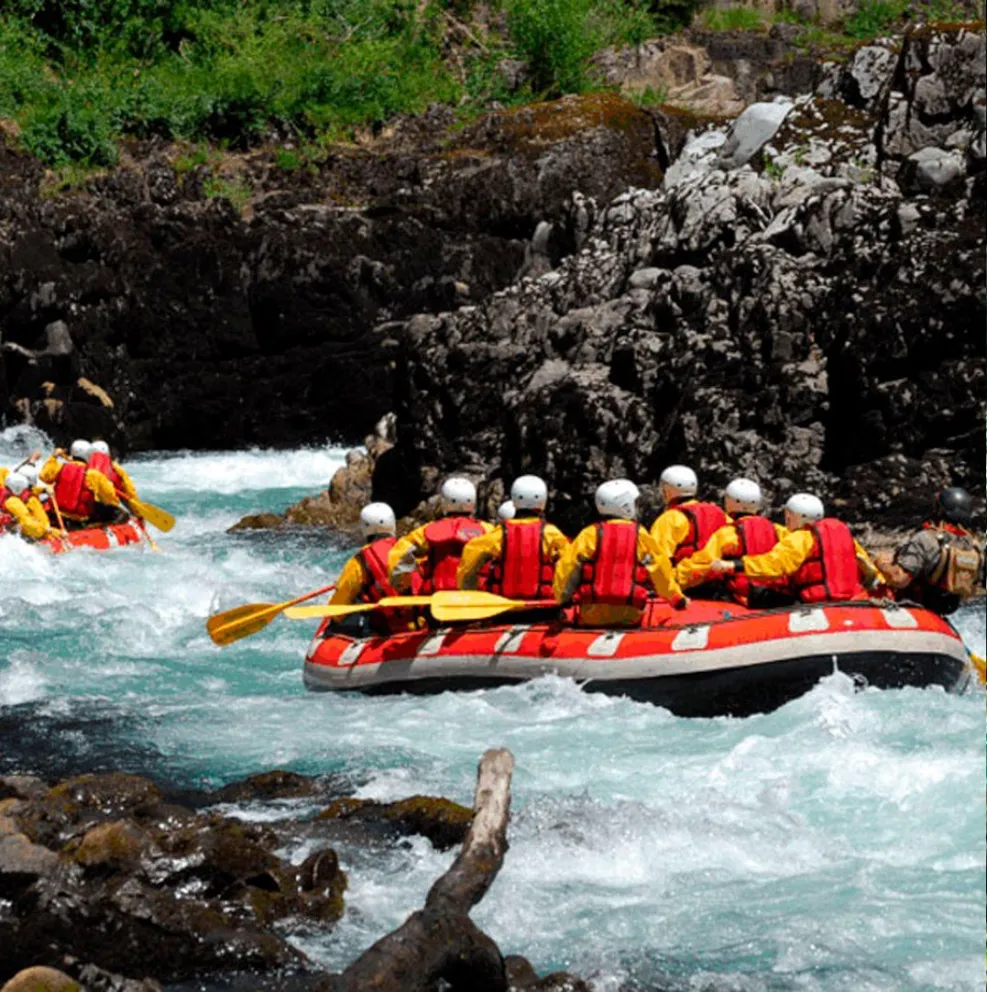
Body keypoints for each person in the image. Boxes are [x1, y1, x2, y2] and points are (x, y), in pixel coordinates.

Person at [554, 479, 688, 627]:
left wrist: (563, 600)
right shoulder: (641, 535)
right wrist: (676, 598)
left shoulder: (589, 534)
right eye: (635, 503)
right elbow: (660, 571)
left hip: (590, 615)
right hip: (630, 615)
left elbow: (566, 568)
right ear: (625, 506)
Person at [708, 493, 881, 603]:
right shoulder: (845, 537)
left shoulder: (800, 538)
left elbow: (775, 565)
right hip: (853, 599)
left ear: (795, 517)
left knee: (759, 595)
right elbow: (869, 568)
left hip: (816, 602)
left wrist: (734, 565)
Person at [676, 478, 789, 606]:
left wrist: (674, 579)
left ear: (729, 502)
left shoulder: (729, 534)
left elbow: (702, 563)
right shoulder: (778, 530)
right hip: (776, 594)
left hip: (745, 597)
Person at [457, 476, 569, 605]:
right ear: (543, 501)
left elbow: (469, 562)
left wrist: (468, 590)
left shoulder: (499, 534)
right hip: (543, 605)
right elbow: (569, 564)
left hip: (504, 605)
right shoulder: (551, 533)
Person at [874, 487, 984, 615]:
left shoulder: (926, 539)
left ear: (939, 510)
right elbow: (970, 592)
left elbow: (899, 579)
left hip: (915, 608)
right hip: (944, 612)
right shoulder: (975, 548)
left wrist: (881, 564)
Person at [388, 477, 492, 593]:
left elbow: (399, 555)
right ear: (473, 502)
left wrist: (402, 585)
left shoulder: (427, 530)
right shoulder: (487, 530)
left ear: (444, 502)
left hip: (438, 597)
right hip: (477, 597)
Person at [329, 503, 416, 635]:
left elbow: (340, 601)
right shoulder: (408, 548)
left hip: (385, 628)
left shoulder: (360, 561)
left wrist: (334, 620)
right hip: (419, 620)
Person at [650, 464, 728, 565]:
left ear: (667, 491)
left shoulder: (669, 519)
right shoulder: (719, 512)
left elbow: (658, 558)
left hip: (685, 574)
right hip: (718, 572)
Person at [38, 439, 121, 528]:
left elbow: (43, 476)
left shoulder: (60, 467)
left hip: (56, 514)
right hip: (78, 520)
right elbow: (111, 498)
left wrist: (54, 457)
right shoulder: (94, 475)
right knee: (115, 512)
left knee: (45, 500)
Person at [87, 441, 135, 524]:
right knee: (125, 515)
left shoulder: (82, 467)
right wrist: (136, 513)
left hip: (85, 509)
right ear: (108, 453)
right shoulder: (116, 469)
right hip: (106, 511)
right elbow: (130, 493)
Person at [0, 472, 51, 541]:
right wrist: (43, 530)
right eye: (23, 489)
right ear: (17, 488)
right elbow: (27, 523)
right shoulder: (14, 502)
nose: (24, 490)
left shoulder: (2, 490)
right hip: (11, 534)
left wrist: (43, 490)